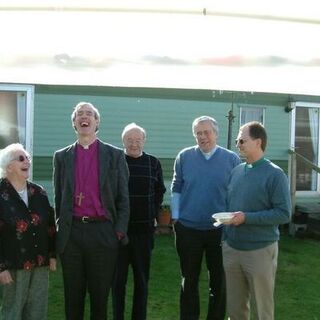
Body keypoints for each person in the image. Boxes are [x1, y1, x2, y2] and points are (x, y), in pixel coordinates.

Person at [53, 102, 130, 320]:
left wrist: (117, 232)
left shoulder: (114, 155)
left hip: (103, 233)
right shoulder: (61, 156)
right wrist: (62, 232)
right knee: (73, 297)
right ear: (74, 123)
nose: (84, 117)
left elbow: (124, 199)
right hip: (73, 234)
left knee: (99, 297)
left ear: (96, 123)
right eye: (79, 114)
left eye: (89, 114)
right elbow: (59, 199)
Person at [171, 115, 241, 320]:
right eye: (198, 133)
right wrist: (176, 218)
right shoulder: (184, 157)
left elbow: (236, 192)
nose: (203, 137)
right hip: (188, 229)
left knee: (219, 282)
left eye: (206, 132)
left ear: (215, 133)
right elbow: (177, 188)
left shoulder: (231, 159)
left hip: (220, 231)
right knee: (189, 280)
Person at [222, 121, 291, 320]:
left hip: (259, 251)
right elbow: (231, 205)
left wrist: (246, 218)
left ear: (258, 142)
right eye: (236, 140)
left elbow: (283, 213)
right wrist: (226, 235)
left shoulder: (275, 174)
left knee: (262, 310)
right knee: (235, 310)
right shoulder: (236, 171)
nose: (238, 144)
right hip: (232, 248)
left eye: (242, 140)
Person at [112, 123, 166, 320]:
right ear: (123, 141)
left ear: (144, 141)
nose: (134, 144)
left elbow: (160, 191)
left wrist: (153, 212)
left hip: (144, 232)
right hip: (119, 233)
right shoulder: (116, 162)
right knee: (118, 282)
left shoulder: (153, 163)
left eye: (137, 140)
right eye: (129, 140)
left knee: (142, 281)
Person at [0, 143, 56, 320]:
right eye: (21, 158)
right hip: (14, 263)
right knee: (13, 310)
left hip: (40, 261)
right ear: (8, 166)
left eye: (28, 158)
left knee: (37, 310)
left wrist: (52, 255)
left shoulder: (39, 192)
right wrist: (1, 267)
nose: (27, 162)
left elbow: (49, 225)